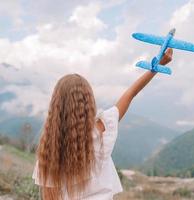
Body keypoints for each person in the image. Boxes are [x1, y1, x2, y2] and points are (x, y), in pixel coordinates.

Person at [32, 49, 173, 200]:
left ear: (56, 105)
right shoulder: (101, 128)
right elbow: (131, 93)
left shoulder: (50, 149)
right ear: (88, 102)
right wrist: (156, 67)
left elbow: (49, 197)